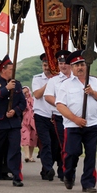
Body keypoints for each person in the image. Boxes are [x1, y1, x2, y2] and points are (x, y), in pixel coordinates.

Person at [56, 50, 97, 193]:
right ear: (72, 68)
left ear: (87, 65)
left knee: (91, 154)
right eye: (76, 65)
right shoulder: (66, 84)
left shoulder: (94, 82)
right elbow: (60, 105)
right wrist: (75, 119)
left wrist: (93, 92)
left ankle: (88, 183)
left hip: (92, 124)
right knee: (71, 153)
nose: (80, 67)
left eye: (82, 64)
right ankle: (69, 174)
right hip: (73, 125)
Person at [0, 55, 26, 187]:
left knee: (15, 149)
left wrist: (15, 111)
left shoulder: (18, 84)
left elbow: (23, 103)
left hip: (13, 122)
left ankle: (16, 176)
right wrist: (6, 89)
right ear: (3, 70)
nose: (13, 71)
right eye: (11, 69)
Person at [44, 50, 72, 179]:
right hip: (60, 116)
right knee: (63, 144)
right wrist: (61, 105)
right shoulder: (54, 81)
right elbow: (48, 96)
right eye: (61, 63)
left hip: (75, 117)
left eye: (65, 63)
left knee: (73, 146)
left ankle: (69, 168)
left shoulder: (77, 79)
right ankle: (64, 171)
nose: (63, 66)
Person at [32, 53, 58, 181]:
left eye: (48, 65)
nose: (46, 67)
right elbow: (37, 94)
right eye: (44, 65)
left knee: (55, 145)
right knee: (46, 143)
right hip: (41, 115)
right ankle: (48, 168)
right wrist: (49, 83)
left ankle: (45, 169)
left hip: (54, 115)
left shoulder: (59, 79)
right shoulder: (37, 79)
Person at [21, 86, 37, 162]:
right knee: (25, 137)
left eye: (27, 92)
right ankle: (26, 155)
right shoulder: (21, 101)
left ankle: (30, 155)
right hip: (24, 122)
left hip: (33, 121)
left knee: (33, 138)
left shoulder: (34, 100)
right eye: (24, 93)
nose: (26, 94)